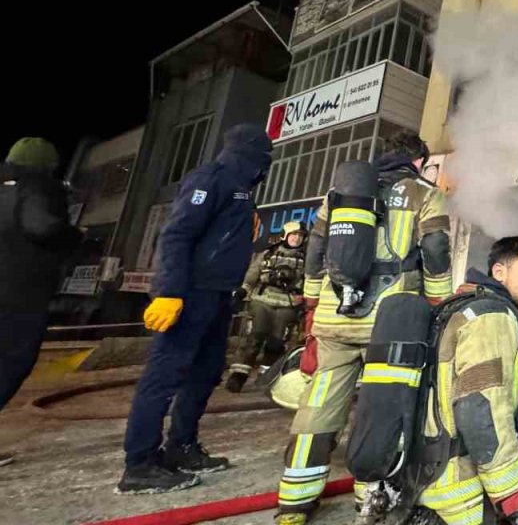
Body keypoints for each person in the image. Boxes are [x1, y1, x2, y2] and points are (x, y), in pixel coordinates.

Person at [276, 132, 452, 524]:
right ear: (419, 162)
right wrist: (439, 303)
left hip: (334, 316)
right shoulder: (424, 193)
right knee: (381, 408)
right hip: (389, 325)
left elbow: (316, 248)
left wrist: (312, 300)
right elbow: (436, 249)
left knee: (320, 402)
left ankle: (294, 503)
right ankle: (370, 501)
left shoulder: (338, 194)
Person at [117, 124, 273, 494]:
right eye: (265, 158)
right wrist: (169, 291)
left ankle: (181, 447)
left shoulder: (241, 191)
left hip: (218, 296)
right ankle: (139, 464)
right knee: (164, 377)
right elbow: (176, 234)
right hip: (190, 294)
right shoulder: (211, 179)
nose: (267, 166)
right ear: (251, 156)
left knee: (204, 375)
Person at [413, 236, 518, 525]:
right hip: (459, 485)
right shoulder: (491, 316)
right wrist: (514, 494)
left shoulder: (459, 306)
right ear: (499, 272)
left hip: (427, 469)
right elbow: (479, 408)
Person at [0, 138, 81, 415]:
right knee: (13, 362)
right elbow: (41, 227)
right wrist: (75, 236)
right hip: (18, 297)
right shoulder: (35, 189)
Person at [225, 220, 308, 393]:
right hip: (263, 301)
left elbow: (310, 281)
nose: (296, 239)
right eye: (294, 235)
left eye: (300, 236)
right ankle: (238, 376)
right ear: (285, 235)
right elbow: (252, 274)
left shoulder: (306, 258)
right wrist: (242, 291)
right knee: (255, 336)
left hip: (288, 304)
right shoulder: (269, 254)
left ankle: (267, 378)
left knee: (276, 343)